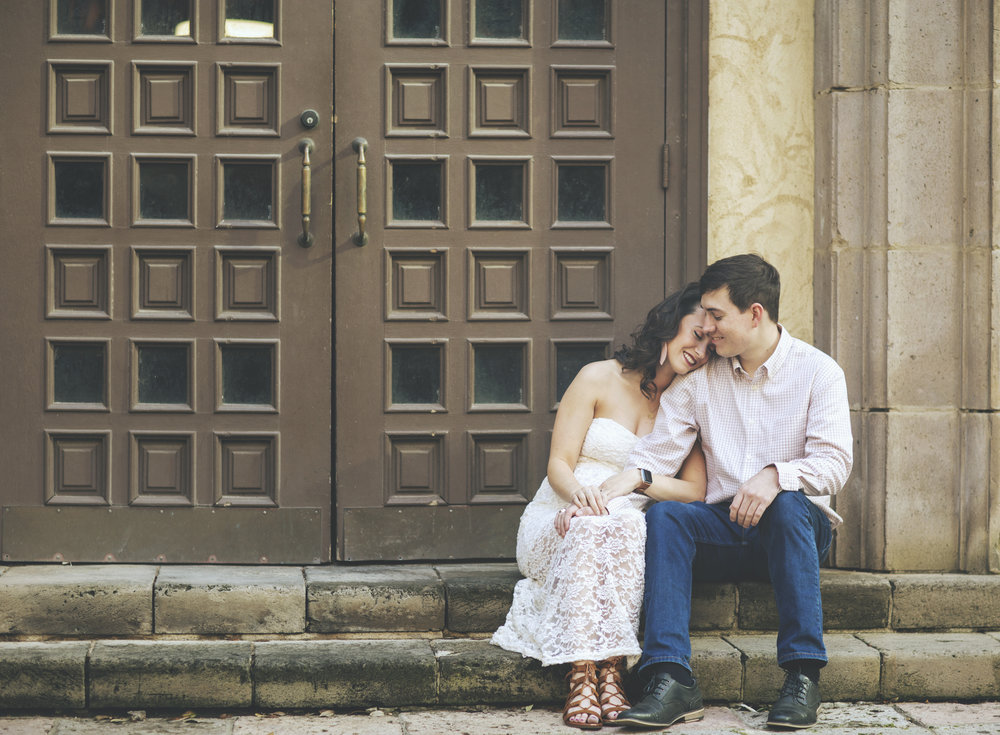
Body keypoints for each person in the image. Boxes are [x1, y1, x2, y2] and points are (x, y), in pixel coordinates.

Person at [601, 254, 853, 730]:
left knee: (786, 505)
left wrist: (776, 475)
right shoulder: (701, 381)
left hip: (794, 530)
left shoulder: (819, 372)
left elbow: (835, 465)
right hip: (723, 527)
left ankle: (802, 677)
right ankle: (671, 678)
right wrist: (607, 498)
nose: (708, 327)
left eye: (717, 316)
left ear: (754, 314)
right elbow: (656, 457)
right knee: (668, 516)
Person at [492, 283, 713, 730]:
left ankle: (595, 672)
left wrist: (640, 486)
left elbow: (694, 492)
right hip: (558, 516)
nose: (700, 350)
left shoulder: (688, 405)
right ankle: (594, 671)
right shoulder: (598, 376)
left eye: (711, 343)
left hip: (625, 529)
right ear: (671, 325)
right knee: (591, 525)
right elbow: (559, 463)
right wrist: (580, 497)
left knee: (620, 525)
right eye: (696, 333)